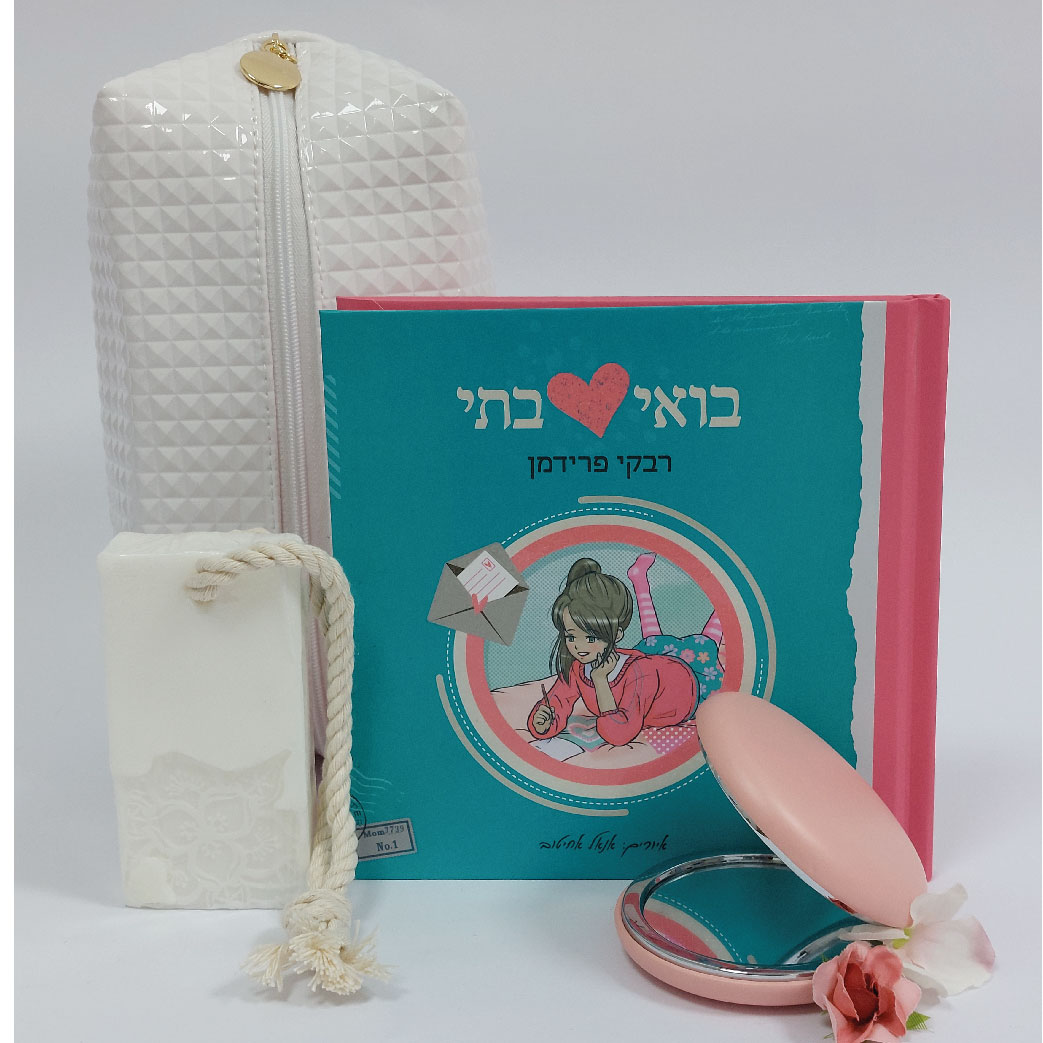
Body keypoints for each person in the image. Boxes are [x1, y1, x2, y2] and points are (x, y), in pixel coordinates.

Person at [527, 555, 722, 748]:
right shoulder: (577, 669)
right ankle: (639, 578)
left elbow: (618, 733)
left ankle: (723, 605)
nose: (578, 647)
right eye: (571, 637)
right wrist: (543, 721)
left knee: (707, 641)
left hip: (694, 681)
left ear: (617, 634)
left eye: (591, 638)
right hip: (655, 658)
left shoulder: (639, 674)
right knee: (652, 637)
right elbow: (557, 701)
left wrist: (600, 680)